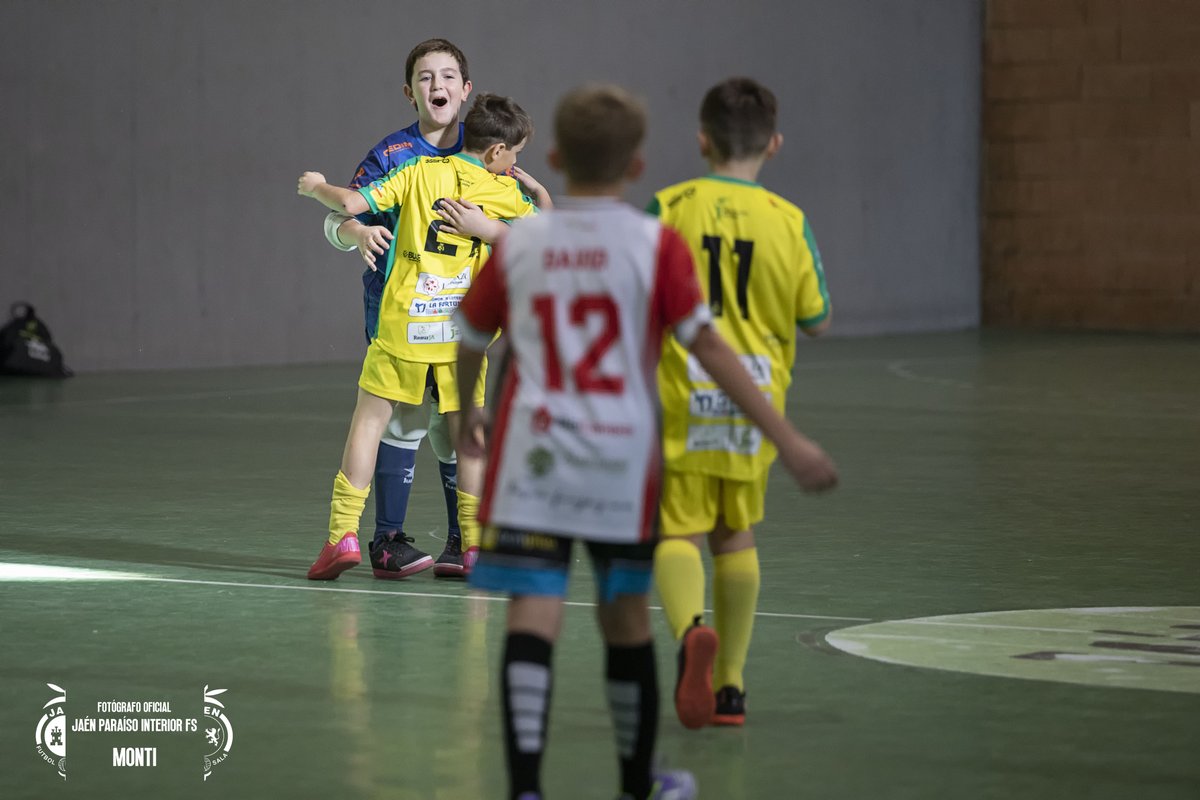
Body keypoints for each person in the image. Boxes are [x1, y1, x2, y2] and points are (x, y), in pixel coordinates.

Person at [453, 84, 837, 800]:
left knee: (530, 621)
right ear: (636, 167)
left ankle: (526, 789)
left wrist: (462, 416)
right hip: (620, 465)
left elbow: (471, 337)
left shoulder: (522, 242)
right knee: (626, 621)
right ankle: (637, 785)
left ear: (557, 158)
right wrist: (785, 437)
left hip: (533, 459)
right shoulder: (652, 244)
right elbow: (712, 349)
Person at [297, 93, 547, 582]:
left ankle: (343, 535)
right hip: (463, 338)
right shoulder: (503, 193)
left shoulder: (417, 172)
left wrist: (316, 187)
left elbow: (350, 203)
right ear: (497, 153)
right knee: (466, 438)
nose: (515, 164)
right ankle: (474, 546)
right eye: (516, 155)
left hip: (403, 327)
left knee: (370, 425)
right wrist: (521, 205)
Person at [648, 77, 833, 729]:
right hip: (755, 401)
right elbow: (817, 318)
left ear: (701, 140)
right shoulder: (789, 222)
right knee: (734, 532)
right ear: (774, 145)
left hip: (684, 394)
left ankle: (690, 630)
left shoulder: (667, 206)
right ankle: (731, 688)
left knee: (676, 530)